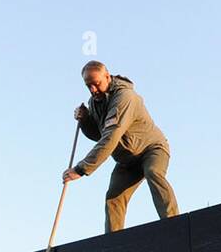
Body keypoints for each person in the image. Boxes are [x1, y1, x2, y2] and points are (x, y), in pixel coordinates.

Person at [63, 61, 180, 233]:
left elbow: (110, 137)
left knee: (153, 172)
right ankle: (113, 242)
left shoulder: (125, 97)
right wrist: (86, 119)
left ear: (107, 77)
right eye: (88, 86)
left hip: (152, 149)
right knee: (113, 197)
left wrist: (81, 169)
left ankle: (174, 225)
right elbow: (98, 135)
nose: (93, 89)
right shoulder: (95, 102)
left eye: (96, 83)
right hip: (127, 160)